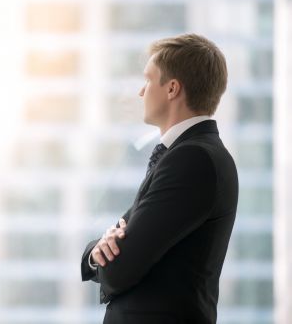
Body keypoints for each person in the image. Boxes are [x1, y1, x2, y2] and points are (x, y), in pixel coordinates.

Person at [81, 33, 239, 324]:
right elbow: (121, 241)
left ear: (172, 89)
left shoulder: (192, 159)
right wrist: (97, 252)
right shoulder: (188, 154)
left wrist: (104, 257)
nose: (141, 92)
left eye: (148, 80)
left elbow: (119, 270)